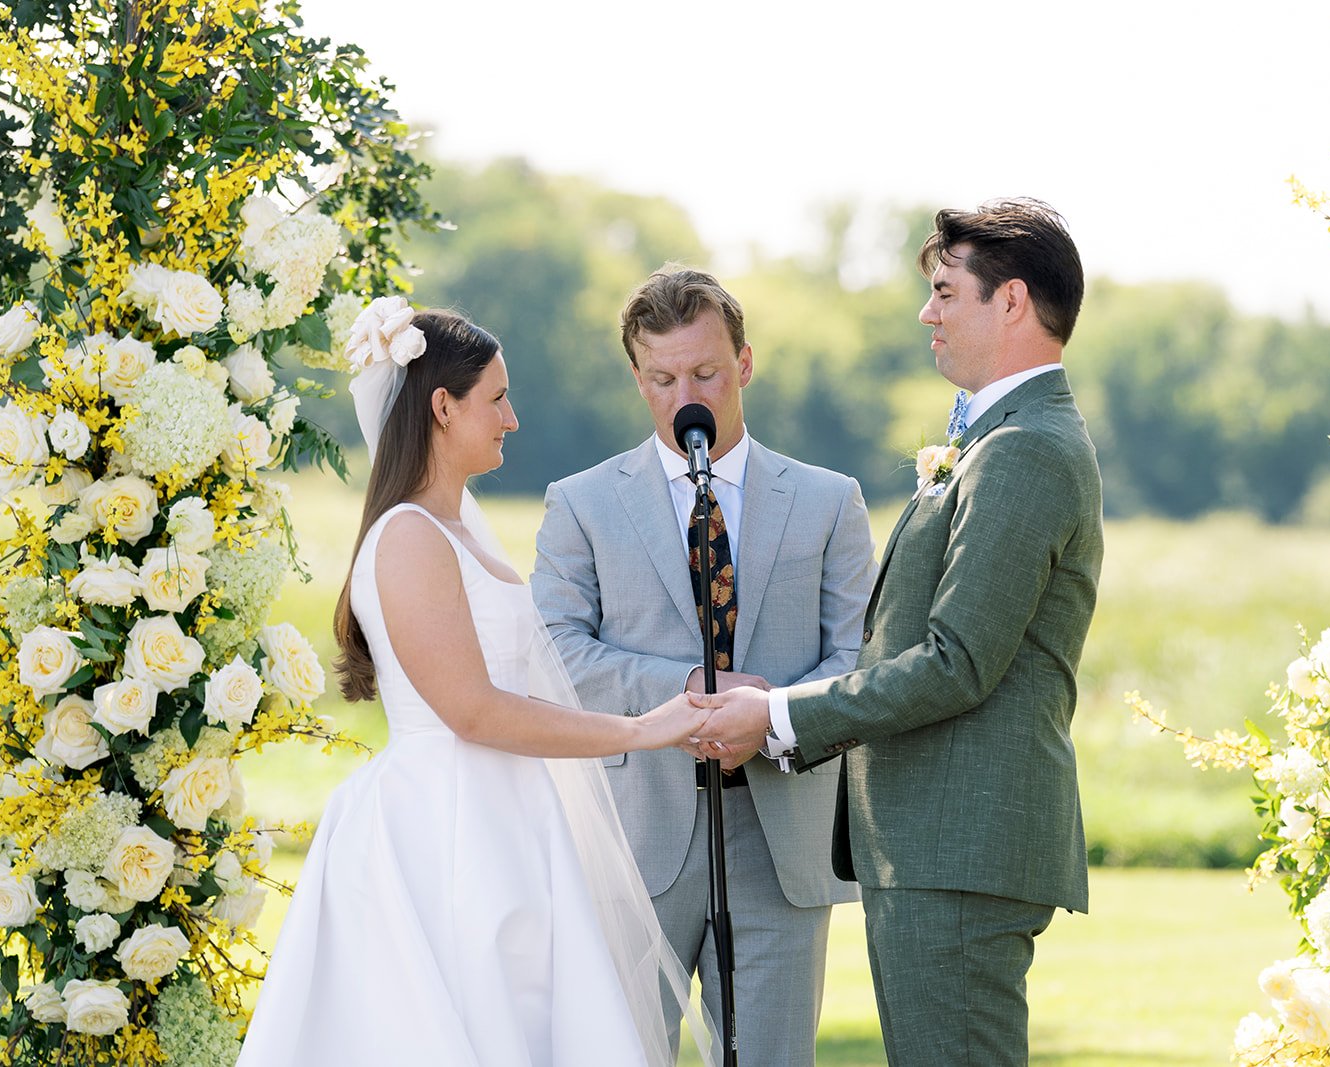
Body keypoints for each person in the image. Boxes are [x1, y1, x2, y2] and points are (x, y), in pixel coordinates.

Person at [238, 307, 715, 1067]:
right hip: (445, 831)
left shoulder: (456, 531)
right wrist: (636, 729)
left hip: (507, 818)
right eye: (495, 398)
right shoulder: (407, 538)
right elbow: (471, 710)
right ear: (441, 406)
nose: (512, 419)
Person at [693, 200, 1104, 1067]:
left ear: (1013, 302)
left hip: (958, 844)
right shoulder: (999, 437)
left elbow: (957, 662)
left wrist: (780, 719)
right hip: (935, 845)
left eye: (946, 291)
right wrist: (780, 697)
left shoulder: (1024, 448)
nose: (929, 312)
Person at [531, 267, 876, 1065]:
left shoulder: (830, 500)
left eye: (706, 372)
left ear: (745, 363)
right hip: (633, 835)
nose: (686, 392)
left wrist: (771, 719)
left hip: (781, 834)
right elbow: (555, 652)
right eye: (663, 377)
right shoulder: (579, 502)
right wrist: (684, 696)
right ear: (637, 379)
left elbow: (858, 656)